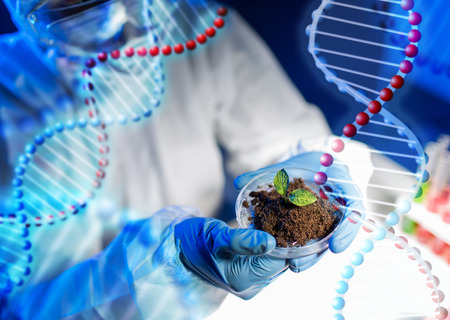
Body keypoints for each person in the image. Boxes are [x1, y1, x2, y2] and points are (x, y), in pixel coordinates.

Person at [0, 0, 364, 319]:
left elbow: (281, 140)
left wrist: (313, 165)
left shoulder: (191, 25)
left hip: (224, 290)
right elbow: (22, 309)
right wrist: (179, 265)